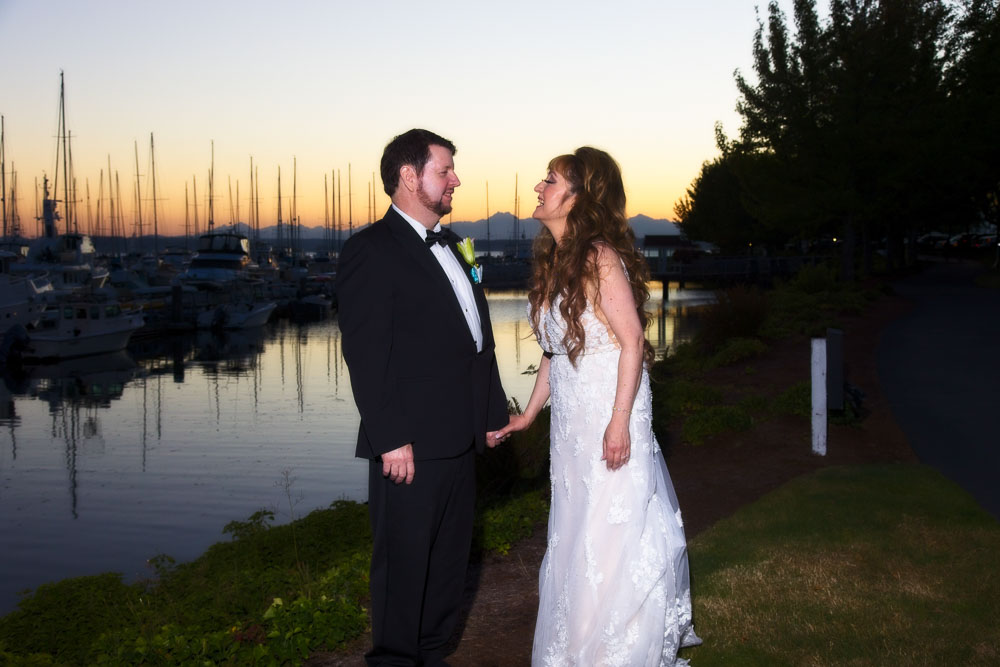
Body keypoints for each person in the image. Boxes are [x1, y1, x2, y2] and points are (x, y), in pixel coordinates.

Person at [494, 147, 701, 665]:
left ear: (580, 196)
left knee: (611, 533)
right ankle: (578, 644)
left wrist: (618, 424)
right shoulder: (554, 260)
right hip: (570, 423)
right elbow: (554, 353)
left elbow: (632, 341)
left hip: (611, 410)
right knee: (576, 531)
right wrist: (529, 415)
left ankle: (618, 650)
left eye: (551, 180)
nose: (539, 188)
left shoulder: (599, 257)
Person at [336, 128, 509, 667]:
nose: (455, 179)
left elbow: (475, 339)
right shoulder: (370, 249)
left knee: (448, 569)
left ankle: (433, 656)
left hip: (459, 440)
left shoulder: (453, 244)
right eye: (445, 169)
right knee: (404, 569)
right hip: (407, 449)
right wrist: (391, 439)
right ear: (409, 177)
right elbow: (367, 355)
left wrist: (490, 412)